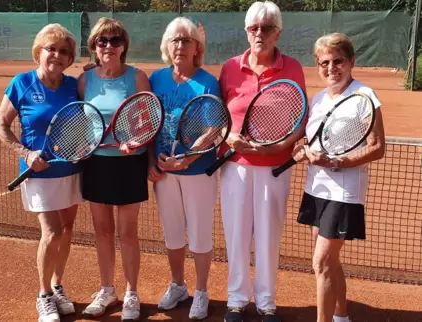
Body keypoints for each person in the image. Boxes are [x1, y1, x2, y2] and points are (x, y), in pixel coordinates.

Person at [217, 2, 308, 322]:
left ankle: (267, 302)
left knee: (269, 234)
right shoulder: (229, 67)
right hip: (235, 166)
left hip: (275, 167)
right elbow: (218, 117)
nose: (260, 33)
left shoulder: (293, 68)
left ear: (277, 33)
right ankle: (236, 300)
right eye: (254, 27)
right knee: (237, 233)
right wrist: (230, 139)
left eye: (267, 28)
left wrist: (280, 146)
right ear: (246, 31)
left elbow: (301, 118)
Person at [291, 32, 385, 322]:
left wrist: (336, 161)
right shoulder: (318, 99)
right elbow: (310, 143)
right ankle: (341, 315)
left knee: (320, 262)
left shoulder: (364, 97)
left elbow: (378, 147)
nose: (331, 68)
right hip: (316, 189)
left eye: (337, 61)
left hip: (343, 192)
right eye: (324, 62)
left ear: (351, 62)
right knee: (330, 261)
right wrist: (301, 151)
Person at [0, 23, 80, 322]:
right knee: (52, 232)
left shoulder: (73, 86)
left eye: (64, 51)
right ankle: (43, 295)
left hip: (70, 168)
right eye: (51, 49)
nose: (57, 55)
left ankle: (58, 286)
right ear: (39, 52)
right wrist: (26, 153)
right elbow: (0, 125)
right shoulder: (22, 83)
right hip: (38, 173)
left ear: (70, 59)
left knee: (68, 230)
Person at [78, 17, 151, 321]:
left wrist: (134, 141)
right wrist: (82, 145)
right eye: (102, 41)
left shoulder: (137, 78)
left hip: (129, 163)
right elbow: (80, 121)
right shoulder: (84, 81)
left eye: (115, 40)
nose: (108, 46)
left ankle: (132, 293)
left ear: (124, 46)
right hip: (96, 163)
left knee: (127, 233)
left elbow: (149, 124)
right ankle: (107, 290)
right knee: (103, 232)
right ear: (94, 46)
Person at [148, 16, 220, 320]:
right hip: (164, 172)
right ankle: (178, 285)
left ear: (196, 48)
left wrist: (188, 158)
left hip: (197, 170)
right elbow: (148, 123)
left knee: (200, 234)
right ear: (167, 46)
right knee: (173, 234)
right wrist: (152, 161)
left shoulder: (207, 82)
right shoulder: (155, 79)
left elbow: (214, 127)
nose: (180, 45)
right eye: (175, 40)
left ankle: (201, 291)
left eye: (186, 40)